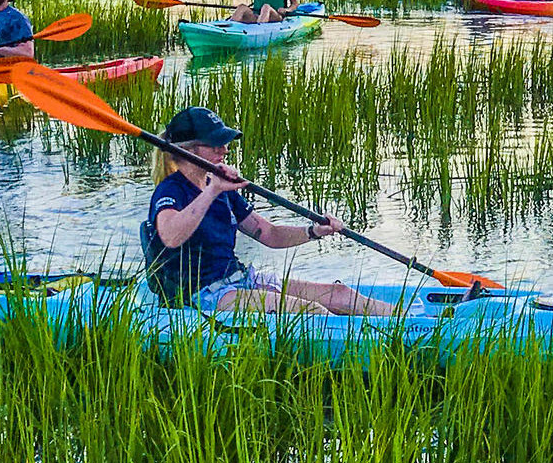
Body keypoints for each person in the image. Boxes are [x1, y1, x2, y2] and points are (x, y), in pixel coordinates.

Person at [141, 106, 396, 316]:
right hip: (201, 293)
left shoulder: (219, 186)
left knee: (340, 295)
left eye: (225, 143)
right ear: (187, 150)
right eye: (215, 144)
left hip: (239, 278)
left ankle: (413, 322)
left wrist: (314, 231)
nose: (225, 150)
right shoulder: (170, 191)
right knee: (311, 311)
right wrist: (213, 191)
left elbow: (269, 234)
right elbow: (171, 236)